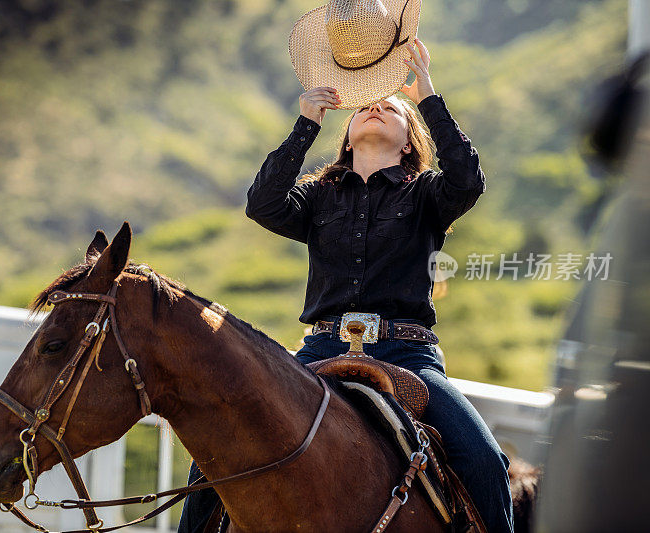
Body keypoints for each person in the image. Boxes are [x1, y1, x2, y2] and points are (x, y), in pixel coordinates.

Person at [178, 38, 514, 533]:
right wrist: (306, 123)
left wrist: (427, 96)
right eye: (365, 107)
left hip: (408, 355)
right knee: (219, 448)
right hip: (321, 350)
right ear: (349, 134)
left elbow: (467, 180)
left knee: (485, 460)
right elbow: (262, 203)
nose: (376, 107)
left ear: (408, 141)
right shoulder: (319, 196)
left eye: (392, 108)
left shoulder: (426, 194)